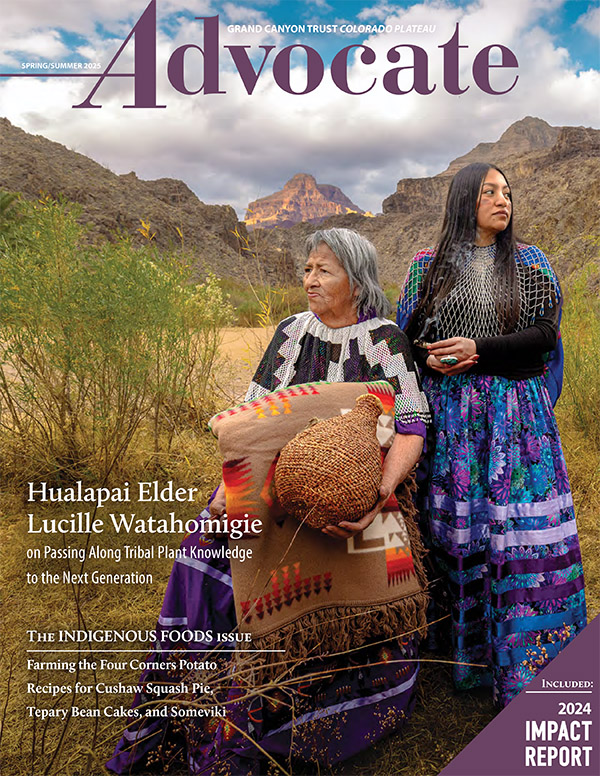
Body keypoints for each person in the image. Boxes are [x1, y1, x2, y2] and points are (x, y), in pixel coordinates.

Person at [108, 227, 430, 774]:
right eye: (307, 269)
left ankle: (297, 719)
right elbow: (251, 423)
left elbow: (412, 426)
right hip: (275, 491)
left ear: (355, 280)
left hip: (363, 501)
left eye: (323, 270)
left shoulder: (385, 341)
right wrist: (229, 491)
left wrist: (376, 499)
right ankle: (182, 703)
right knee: (204, 552)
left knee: (380, 591)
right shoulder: (290, 335)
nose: (309, 279)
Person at [397, 162, 587, 708]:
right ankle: (467, 659)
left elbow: (545, 335)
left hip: (517, 418)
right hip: (453, 421)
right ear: (464, 200)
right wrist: (434, 360)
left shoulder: (529, 262)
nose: (503, 200)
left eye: (507, 191)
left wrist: (478, 350)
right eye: (489, 192)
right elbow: (406, 338)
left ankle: (532, 659)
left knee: (523, 530)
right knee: (461, 533)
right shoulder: (427, 266)